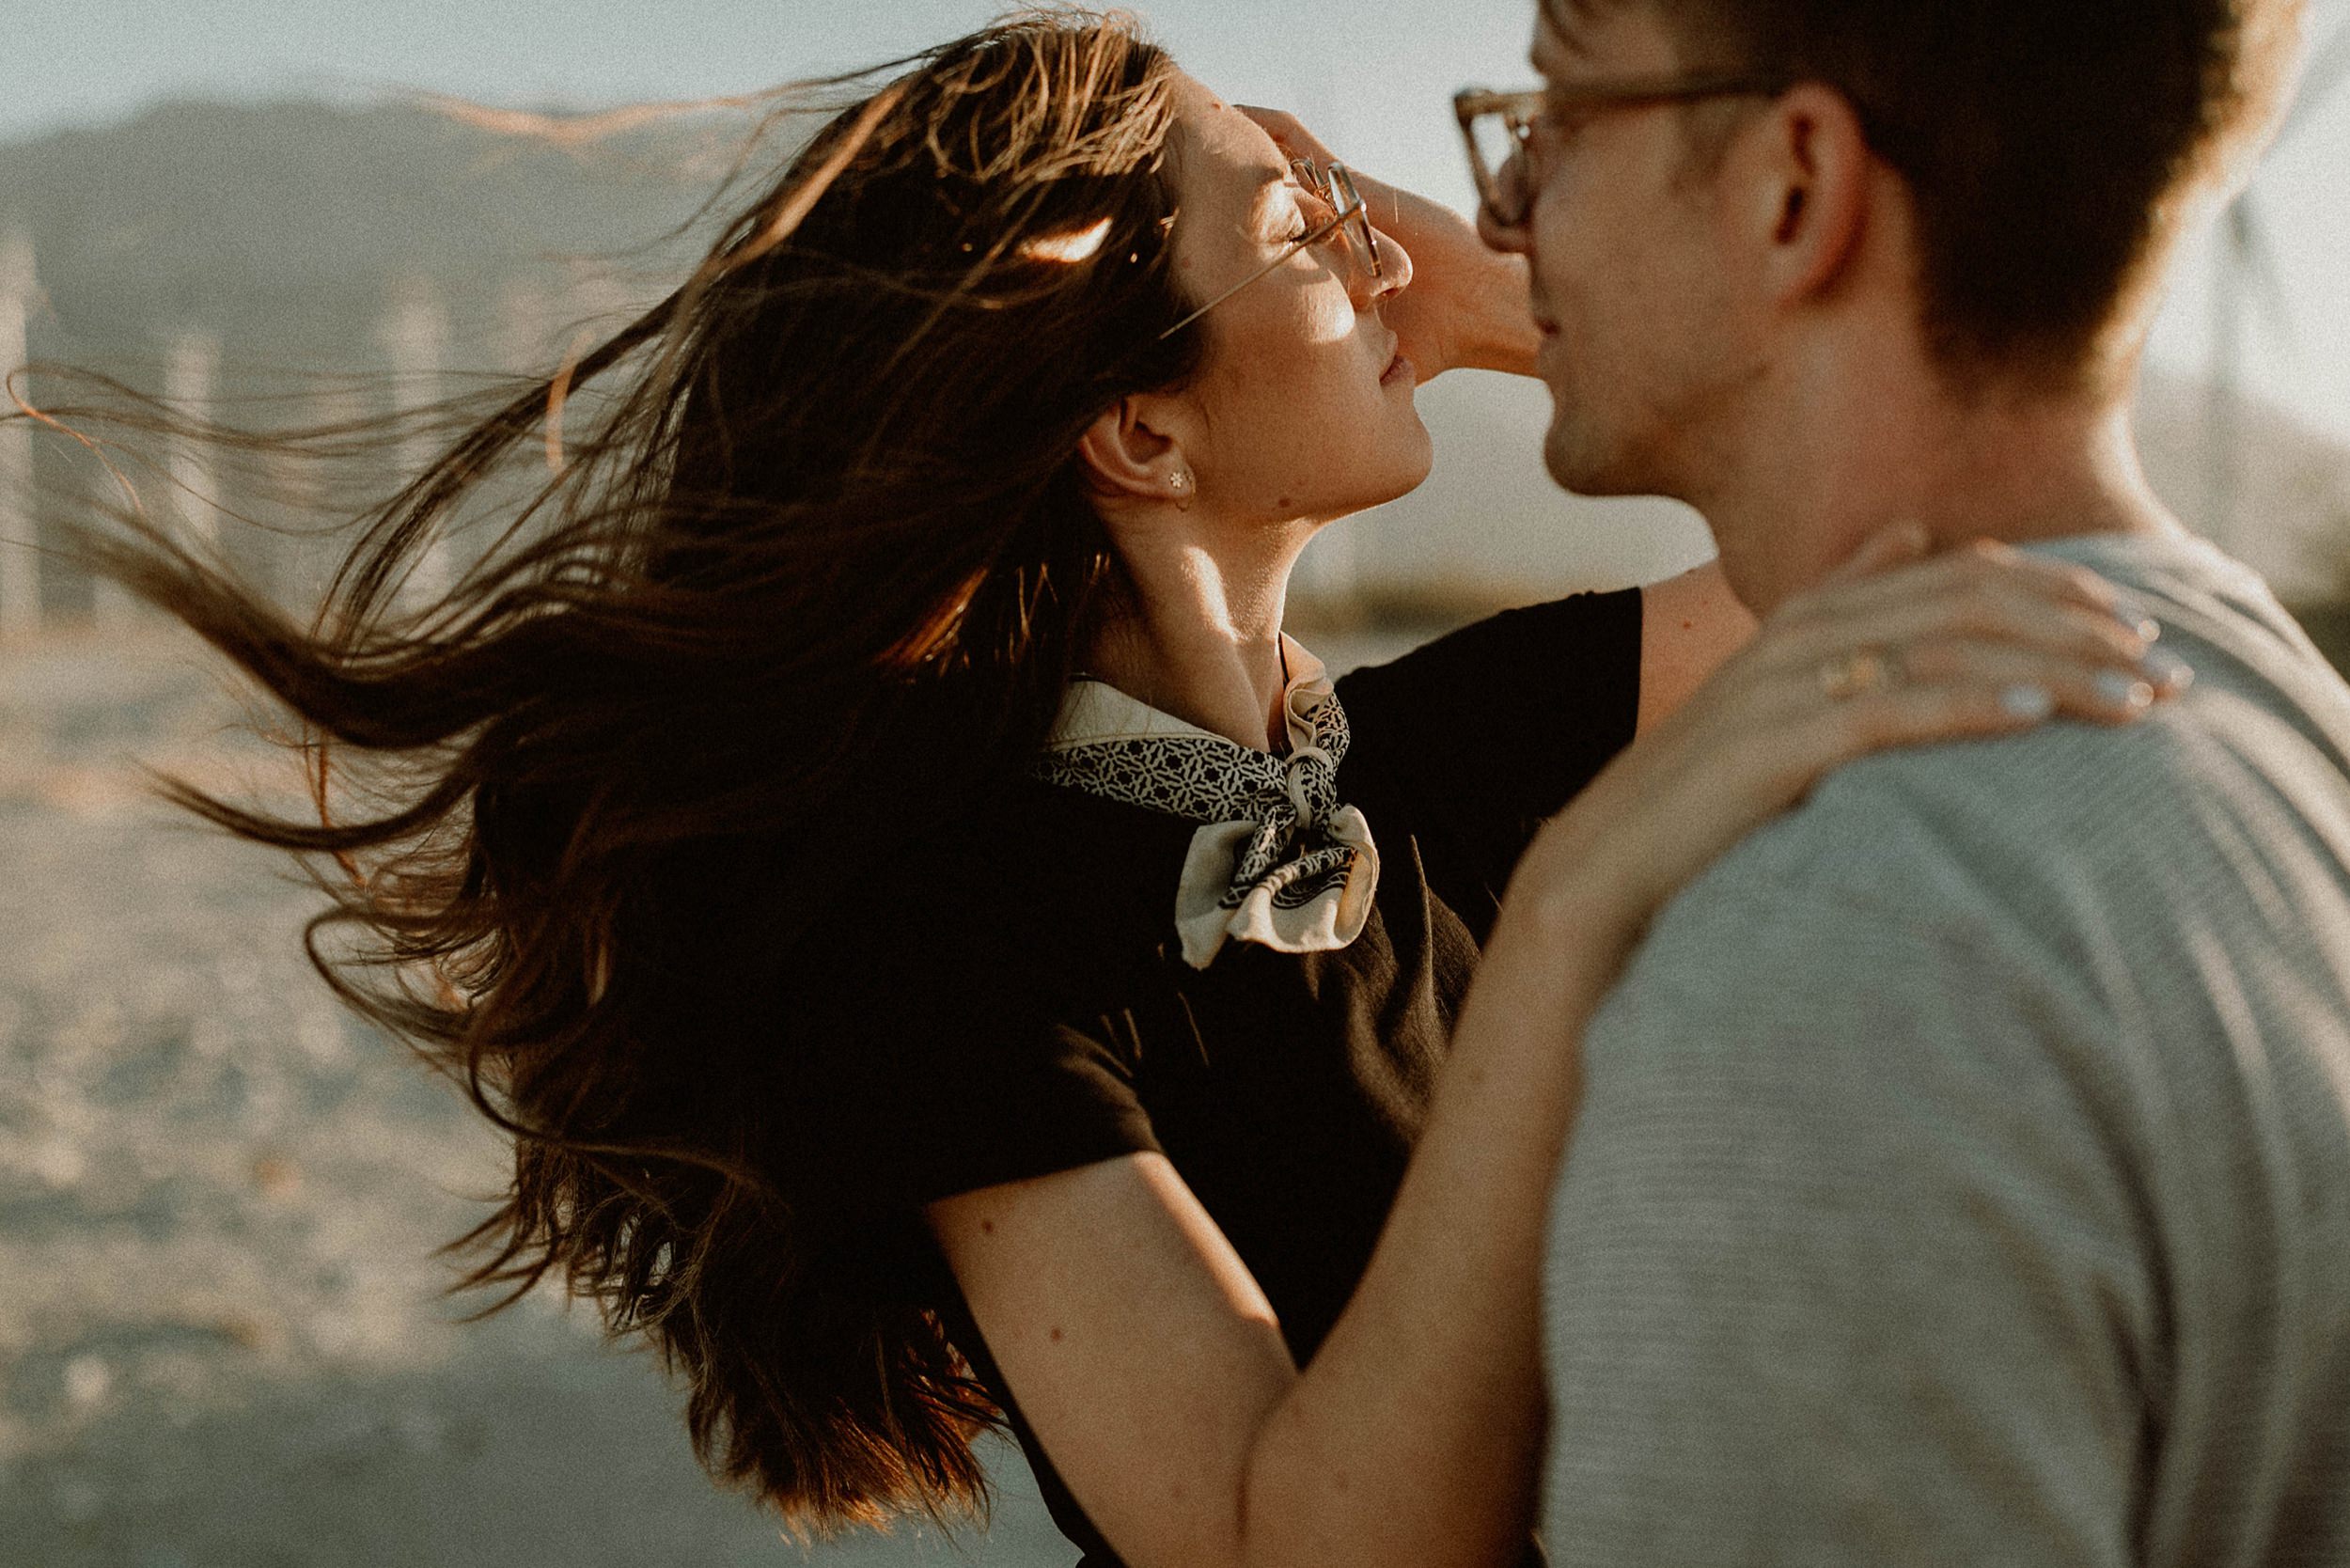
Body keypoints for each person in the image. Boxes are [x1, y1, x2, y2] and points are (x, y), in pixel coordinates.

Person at [49, 14, 2185, 1568]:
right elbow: (1278, 1541)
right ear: (1141, 439)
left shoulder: (1450, 750)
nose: (1372, 252)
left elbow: (1945, 520)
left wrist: (1535, 306)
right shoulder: (953, 950)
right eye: (1296, 226)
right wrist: (1570, 929)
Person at [1459, 0, 2350, 1561]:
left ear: (1794, 186)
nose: (1499, 206)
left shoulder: (1827, 974)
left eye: (1562, 111)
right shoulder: (2275, 706)